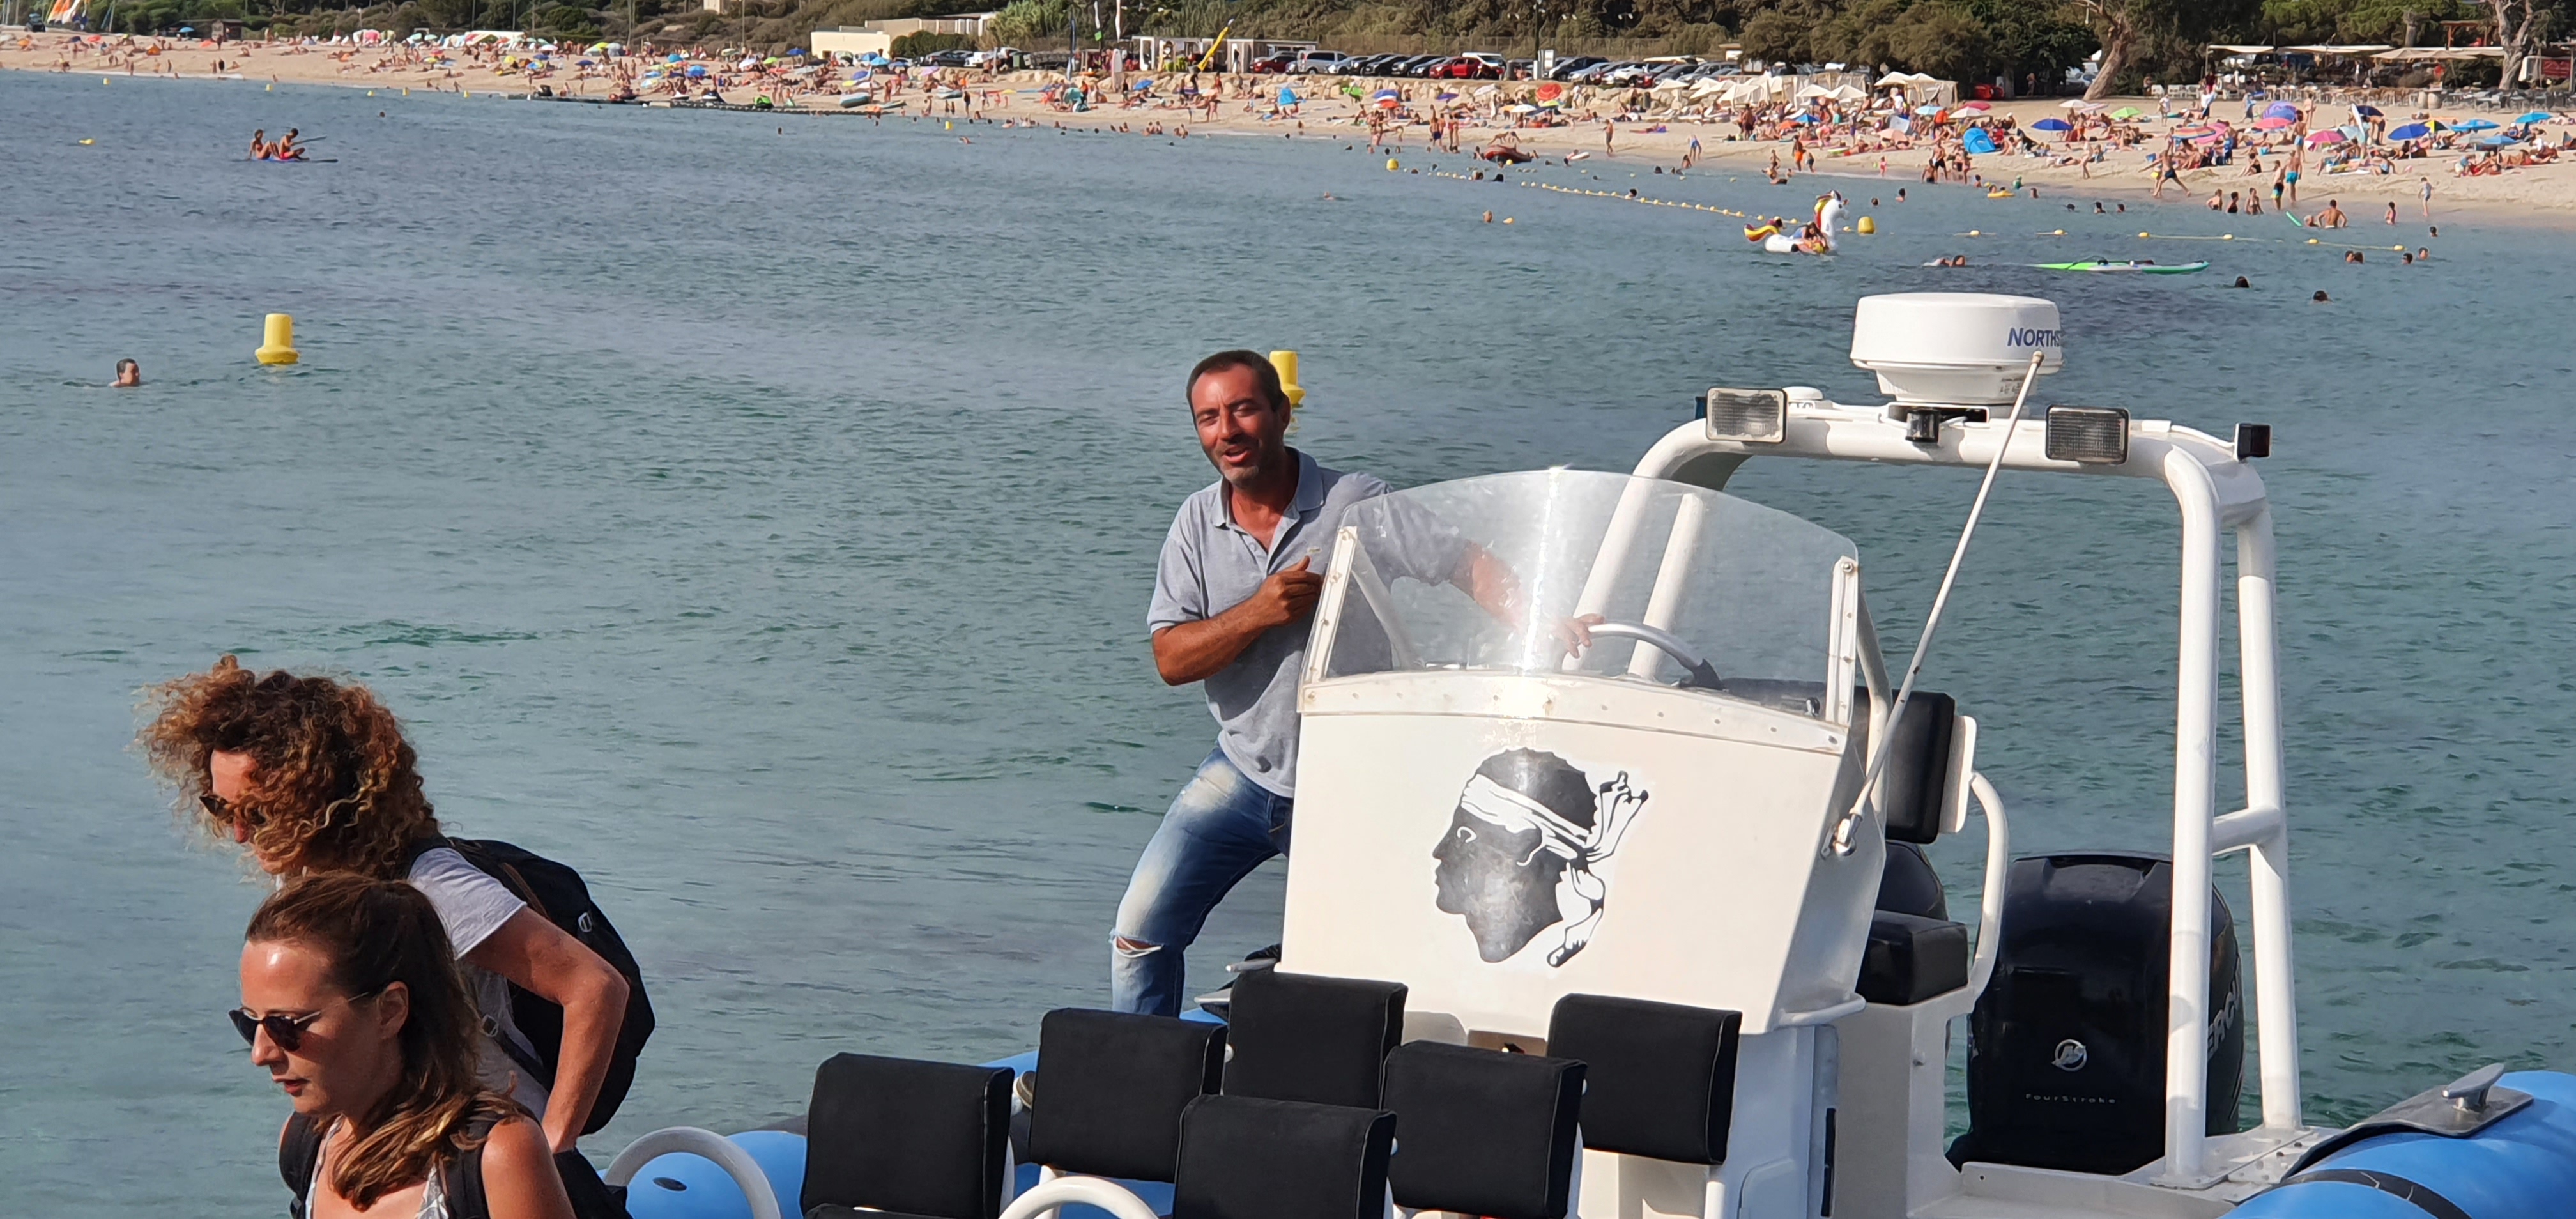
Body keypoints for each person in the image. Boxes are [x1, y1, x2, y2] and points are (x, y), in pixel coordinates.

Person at [1112, 351, 1521, 1015]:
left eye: (1244, 410)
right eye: (1209, 418)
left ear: (1282, 414)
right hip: (1242, 773)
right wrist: (1257, 613)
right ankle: (1142, 1064)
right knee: (1139, 936)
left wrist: (1549, 627)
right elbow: (1171, 659)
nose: (1227, 431)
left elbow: (1465, 565)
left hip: (1349, 782)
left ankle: (1383, 1067)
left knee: (1377, 956)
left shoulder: (1356, 502)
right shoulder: (1195, 522)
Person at [142, 659, 629, 1160]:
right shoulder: (307, 876)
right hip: (407, 1139)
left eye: (258, 813)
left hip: (484, 1149)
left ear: (316, 797)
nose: (240, 834)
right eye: (220, 807)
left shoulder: (437, 889)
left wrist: (554, 1147)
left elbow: (596, 987)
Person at [238, 872, 576, 1219]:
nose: (260, 1054)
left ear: (390, 1010)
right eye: (250, 1023)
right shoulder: (306, 1145)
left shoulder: (497, 1156)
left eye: (286, 1025)